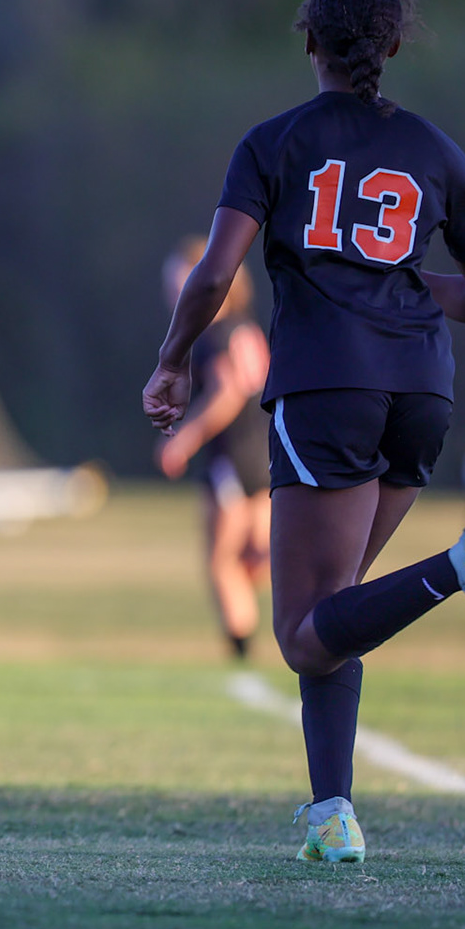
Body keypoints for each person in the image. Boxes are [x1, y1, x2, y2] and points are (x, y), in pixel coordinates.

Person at [143, 0, 465, 865]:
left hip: (328, 389)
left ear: (310, 44)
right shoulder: (436, 150)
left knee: (303, 631)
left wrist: (173, 358)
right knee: (336, 613)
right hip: (423, 390)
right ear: (390, 50)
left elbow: (214, 275)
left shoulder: (274, 143)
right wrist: (398, 283)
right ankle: (330, 815)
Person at [157, 236, 273, 659]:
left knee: (221, 561)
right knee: (253, 558)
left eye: (180, 284)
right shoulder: (246, 325)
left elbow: (227, 393)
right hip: (267, 450)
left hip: (234, 454)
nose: (174, 296)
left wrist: (184, 439)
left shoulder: (215, 333)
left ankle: (240, 656)